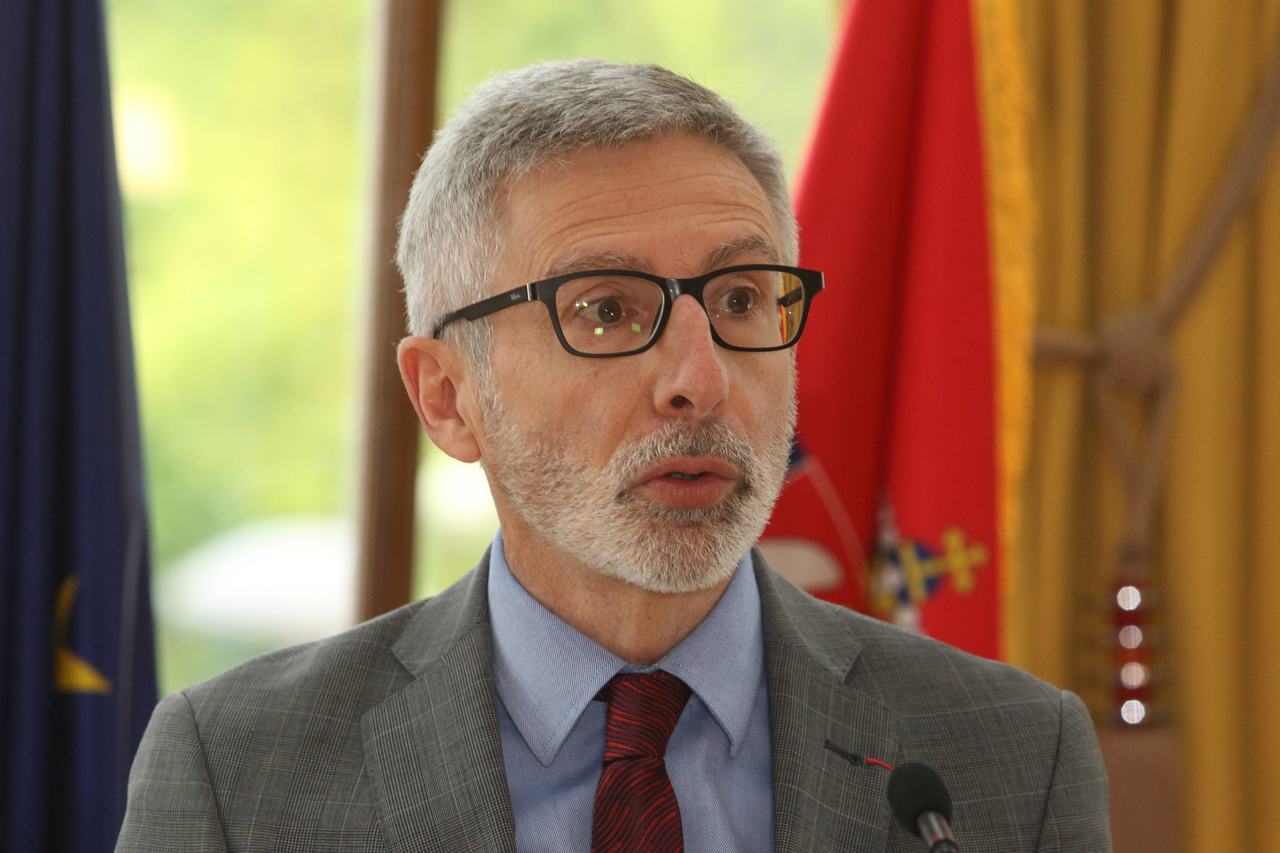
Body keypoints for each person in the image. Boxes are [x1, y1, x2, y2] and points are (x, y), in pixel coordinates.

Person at [117, 60, 1111, 852]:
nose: (699, 379)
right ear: (448, 398)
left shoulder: (1009, 755)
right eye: (604, 310)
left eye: (739, 299)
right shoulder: (240, 772)